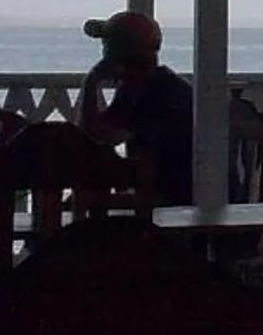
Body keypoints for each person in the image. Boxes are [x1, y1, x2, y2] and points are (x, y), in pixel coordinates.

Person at [77, 11, 195, 208]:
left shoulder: (151, 92)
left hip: (172, 202)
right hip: (175, 194)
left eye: (106, 45)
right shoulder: (165, 84)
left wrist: (92, 82)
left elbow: (92, 139)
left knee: (77, 206)